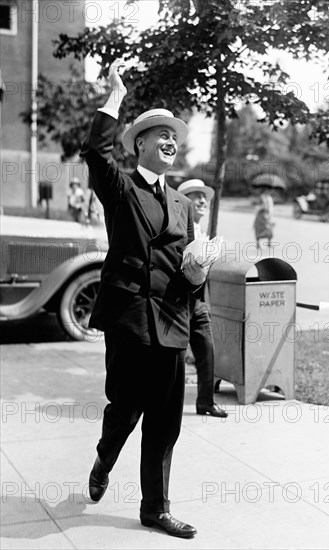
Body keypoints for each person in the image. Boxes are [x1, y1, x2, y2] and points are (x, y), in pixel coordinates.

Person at [80, 59, 209, 539]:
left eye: (174, 137)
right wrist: (114, 96)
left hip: (171, 320)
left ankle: (155, 507)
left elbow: (191, 267)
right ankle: (104, 455)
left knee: (164, 421)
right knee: (125, 409)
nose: (170, 142)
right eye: (160, 135)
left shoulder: (183, 204)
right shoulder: (120, 187)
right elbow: (94, 149)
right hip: (130, 316)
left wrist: (197, 277)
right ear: (139, 145)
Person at [177, 179, 228, 418]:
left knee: (207, 350)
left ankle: (205, 402)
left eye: (203, 197)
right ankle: (165, 405)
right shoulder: (177, 229)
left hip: (197, 303)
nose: (201, 201)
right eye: (195, 196)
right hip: (177, 303)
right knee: (173, 359)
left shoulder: (203, 233)